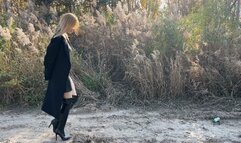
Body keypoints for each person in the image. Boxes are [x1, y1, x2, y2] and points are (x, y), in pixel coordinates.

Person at [41, 13, 80, 141]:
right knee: (68, 101)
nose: (74, 28)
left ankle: (57, 123)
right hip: (58, 77)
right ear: (67, 24)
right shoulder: (57, 39)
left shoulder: (64, 37)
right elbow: (48, 59)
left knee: (72, 99)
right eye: (72, 25)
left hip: (64, 75)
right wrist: (50, 76)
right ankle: (59, 128)